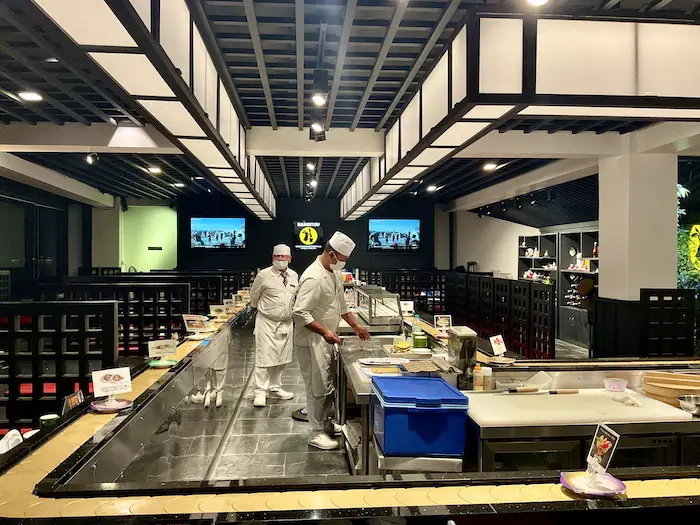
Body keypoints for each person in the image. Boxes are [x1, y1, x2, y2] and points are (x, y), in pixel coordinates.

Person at [293, 231, 370, 450]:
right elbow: (300, 314)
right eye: (343, 260)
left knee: (328, 385)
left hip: (326, 338)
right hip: (311, 340)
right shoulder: (313, 277)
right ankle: (315, 433)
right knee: (317, 388)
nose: (343, 264)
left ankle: (326, 423)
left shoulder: (333, 273)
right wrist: (324, 331)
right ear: (332, 254)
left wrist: (355, 326)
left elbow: (341, 306)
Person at [250, 244, 299, 408]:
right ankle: (260, 391)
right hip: (267, 323)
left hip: (286, 323)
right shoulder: (263, 275)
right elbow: (254, 297)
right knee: (264, 358)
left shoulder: (294, 276)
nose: (280, 260)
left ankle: (275, 387)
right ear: (272, 258)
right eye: (276, 257)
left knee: (282, 358)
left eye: (283, 257)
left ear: (289, 259)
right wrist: (269, 311)